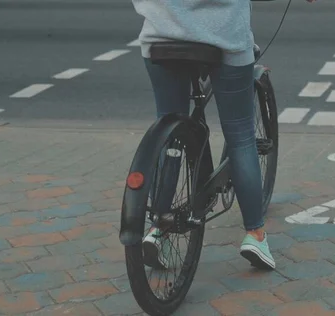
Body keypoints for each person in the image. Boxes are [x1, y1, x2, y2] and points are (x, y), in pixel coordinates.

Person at [131, 0, 316, 271]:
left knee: (170, 134)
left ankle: (159, 227)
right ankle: (255, 235)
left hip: (162, 35)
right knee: (241, 135)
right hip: (225, 38)